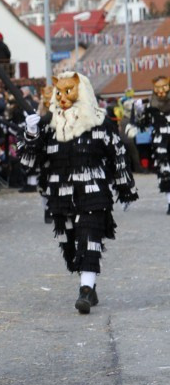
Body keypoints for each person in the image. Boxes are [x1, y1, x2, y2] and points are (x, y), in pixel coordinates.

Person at [21, 72, 138, 313]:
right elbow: (29, 163)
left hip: (93, 193)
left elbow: (118, 156)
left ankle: (85, 290)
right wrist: (31, 135)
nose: (63, 97)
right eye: (59, 92)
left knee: (90, 238)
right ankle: (89, 286)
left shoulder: (100, 123)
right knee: (71, 246)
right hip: (60, 196)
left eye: (69, 90)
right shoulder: (49, 125)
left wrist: (125, 189)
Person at [139, 76, 170, 210]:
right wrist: (139, 113)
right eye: (157, 88)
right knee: (165, 173)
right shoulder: (151, 106)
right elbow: (143, 124)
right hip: (161, 145)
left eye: (164, 86)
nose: (161, 91)